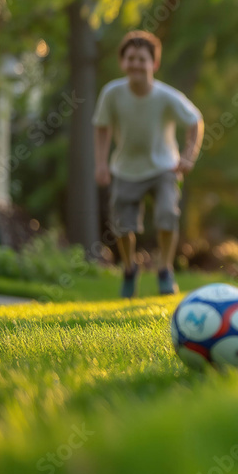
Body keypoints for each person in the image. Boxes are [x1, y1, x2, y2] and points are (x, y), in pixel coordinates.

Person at [94, 30, 204, 298]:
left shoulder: (166, 96)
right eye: (130, 58)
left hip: (164, 166)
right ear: (123, 63)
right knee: (123, 227)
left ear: (153, 64)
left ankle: (165, 269)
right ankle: (130, 269)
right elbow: (102, 128)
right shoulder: (112, 93)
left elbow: (195, 121)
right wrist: (101, 163)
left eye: (142, 59)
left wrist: (189, 156)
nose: (135, 64)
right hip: (125, 169)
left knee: (167, 214)